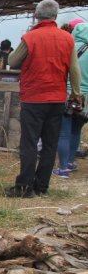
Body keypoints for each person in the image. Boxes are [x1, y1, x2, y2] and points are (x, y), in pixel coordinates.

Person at [4, 0, 81, 198]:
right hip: (56, 98)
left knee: (29, 143)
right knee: (50, 144)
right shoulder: (67, 38)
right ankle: (41, 186)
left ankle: (24, 187)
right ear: (55, 16)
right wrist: (76, 94)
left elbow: (12, 61)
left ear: (37, 15)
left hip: (33, 98)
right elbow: (74, 69)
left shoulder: (31, 37)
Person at [54, 22, 88, 178]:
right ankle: (70, 161)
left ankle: (62, 168)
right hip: (86, 98)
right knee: (76, 130)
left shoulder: (69, 47)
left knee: (64, 133)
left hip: (68, 94)